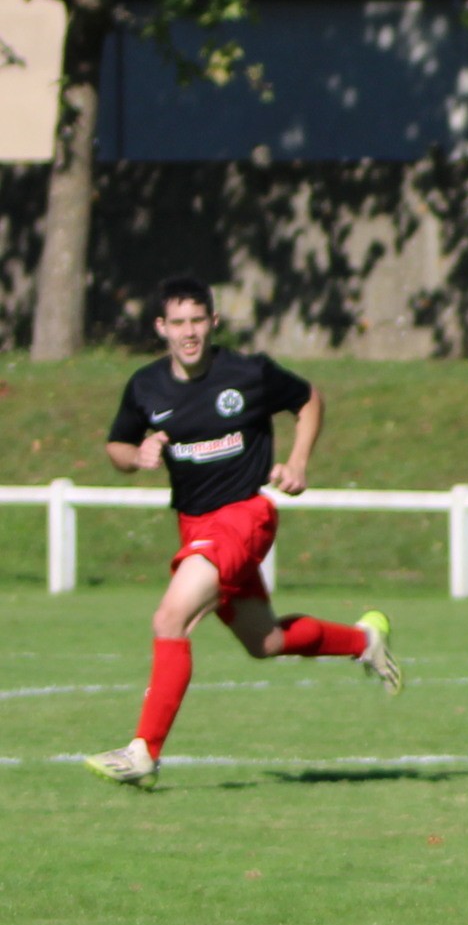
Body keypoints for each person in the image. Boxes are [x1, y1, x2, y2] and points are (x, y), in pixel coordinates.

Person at [84, 278, 400, 787]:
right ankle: (364, 640)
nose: (189, 333)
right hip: (195, 527)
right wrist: (137, 455)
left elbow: (309, 400)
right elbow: (117, 446)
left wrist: (298, 461)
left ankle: (144, 751)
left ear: (213, 322)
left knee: (170, 617)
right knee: (267, 641)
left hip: (243, 517)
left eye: (198, 321)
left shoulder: (248, 373)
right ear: (161, 328)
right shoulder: (146, 386)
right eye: (178, 323)